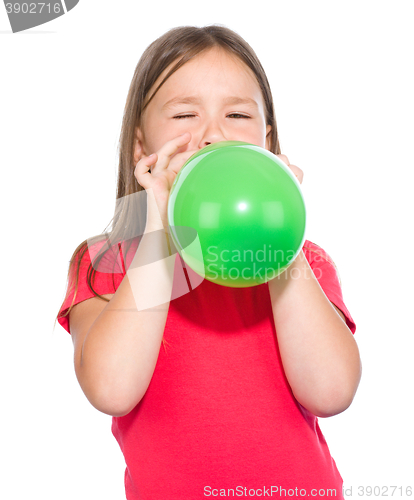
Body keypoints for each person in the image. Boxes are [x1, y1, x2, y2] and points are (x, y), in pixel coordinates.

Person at [56, 25, 361, 500]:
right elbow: (111, 388)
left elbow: (332, 392)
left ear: (266, 139)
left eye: (237, 114)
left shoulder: (303, 261)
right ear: (141, 148)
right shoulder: (106, 262)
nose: (215, 134)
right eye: (184, 114)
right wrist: (157, 228)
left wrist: (280, 237)